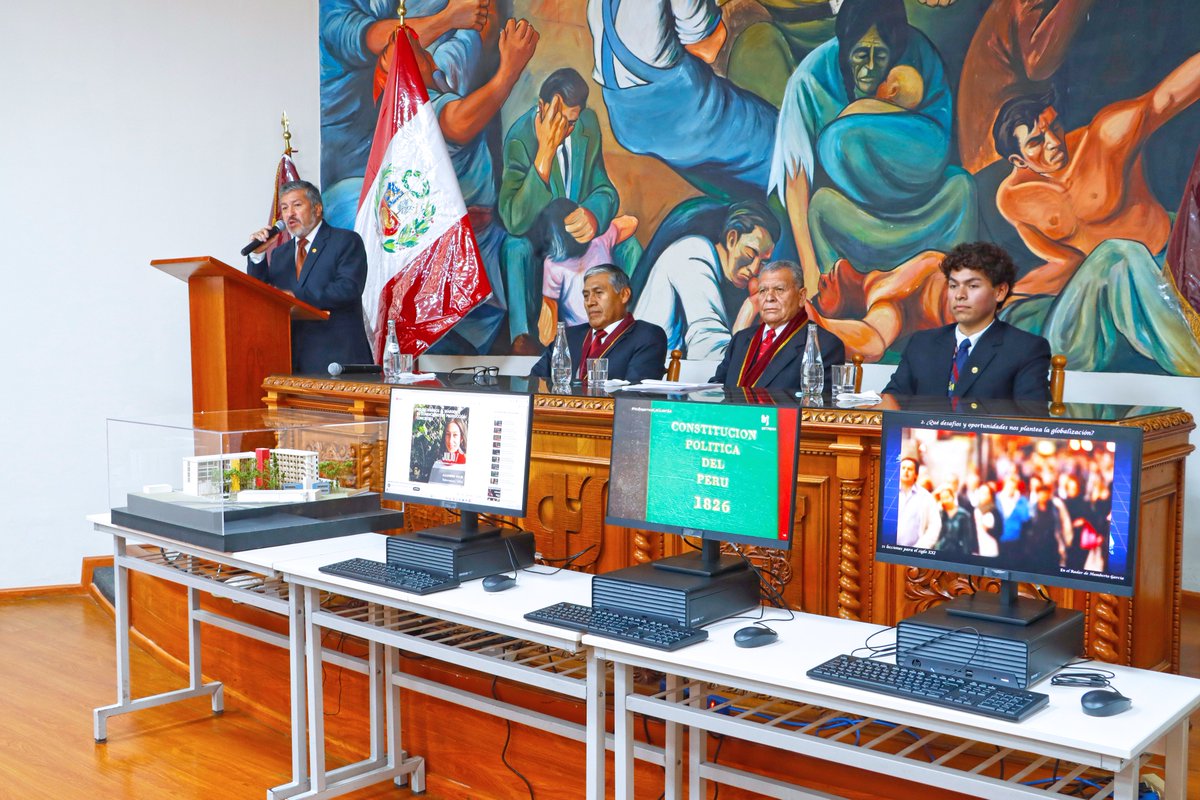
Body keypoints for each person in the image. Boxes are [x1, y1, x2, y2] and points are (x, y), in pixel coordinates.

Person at [992, 54, 1200, 375]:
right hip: (1098, 290)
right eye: (1036, 142)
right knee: (1023, 318)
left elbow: (1167, 98)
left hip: (1161, 265)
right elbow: (1065, 263)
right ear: (1018, 161)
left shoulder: (1106, 136)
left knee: (1119, 254)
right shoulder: (1013, 199)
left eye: (1054, 126)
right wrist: (1010, 295)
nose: (1053, 142)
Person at [770, 0, 975, 295]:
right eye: (860, 55)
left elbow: (936, 143)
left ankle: (941, 290)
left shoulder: (919, 54)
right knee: (821, 206)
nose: (868, 67)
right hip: (857, 223)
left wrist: (871, 109)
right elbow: (795, 177)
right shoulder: (809, 78)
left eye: (879, 56)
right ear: (845, 49)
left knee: (961, 187)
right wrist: (810, 269)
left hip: (925, 212)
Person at [499, 68, 634, 355]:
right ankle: (523, 341)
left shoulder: (587, 126)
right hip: (540, 242)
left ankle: (622, 331)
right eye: (557, 119)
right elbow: (513, 220)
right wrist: (545, 154)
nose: (563, 130)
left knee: (630, 246)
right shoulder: (519, 139)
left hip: (580, 240)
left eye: (570, 122)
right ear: (542, 107)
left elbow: (605, 190)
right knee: (513, 247)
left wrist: (593, 214)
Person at [883, 241, 1051, 400]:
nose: (959, 295)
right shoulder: (922, 343)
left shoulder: (1025, 349)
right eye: (953, 286)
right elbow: (892, 401)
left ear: (1000, 292)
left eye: (972, 286)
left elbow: (1032, 415)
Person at [247, 180, 373, 374]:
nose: (290, 213)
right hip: (291, 360)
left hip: (338, 359)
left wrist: (295, 297)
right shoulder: (280, 254)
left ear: (317, 208)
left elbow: (348, 288)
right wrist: (258, 255)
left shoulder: (345, 241)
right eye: (284, 208)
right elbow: (262, 295)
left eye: (297, 205)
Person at [633, 201, 780, 360]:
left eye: (763, 262)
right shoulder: (691, 254)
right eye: (750, 254)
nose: (755, 269)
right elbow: (709, 351)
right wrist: (748, 312)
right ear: (731, 239)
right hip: (652, 371)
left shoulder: (723, 276)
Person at [710, 260, 845, 389]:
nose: (769, 298)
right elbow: (717, 386)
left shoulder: (824, 345)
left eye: (779, 289)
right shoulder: (740, 340)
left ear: (802, 296)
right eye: (762, 291)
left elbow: (817, 401)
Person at [529, 264, 668, 385]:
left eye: (598, 293)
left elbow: (636, 396)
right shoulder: (569, 336)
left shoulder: (647, 336)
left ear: (624, 295)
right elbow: (535, 381)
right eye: (586, 296)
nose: (590, 302)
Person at [538, 198, 639, 329]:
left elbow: (547, 323)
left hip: (585, 330)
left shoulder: (553, 264)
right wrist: (593, 225)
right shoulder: (601, 241)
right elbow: (632, 222)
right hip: (607, 326)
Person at [896, 443, 939, 548]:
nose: (906, 471)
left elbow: (935, 525)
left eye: (909, 469)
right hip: (890, 550)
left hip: (913, 552)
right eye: (903, 468)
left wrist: (921, 548)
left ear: (916, 474)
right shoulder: (890, 493)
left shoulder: (926, 497)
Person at [921, 484, 977, 557]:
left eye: (947, 497)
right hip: (940, 552)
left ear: (952, 496)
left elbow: (967, 540)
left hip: (957, 553)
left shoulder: (963, 515)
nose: (946, 500)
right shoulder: (939, 514)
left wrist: (966, 558)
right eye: (943, 498)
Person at [428, 416, 468, 485]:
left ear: (461, 438)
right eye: (448, 434)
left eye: (455, 435)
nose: (450, 440)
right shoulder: (437, 465)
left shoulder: (467, 466)